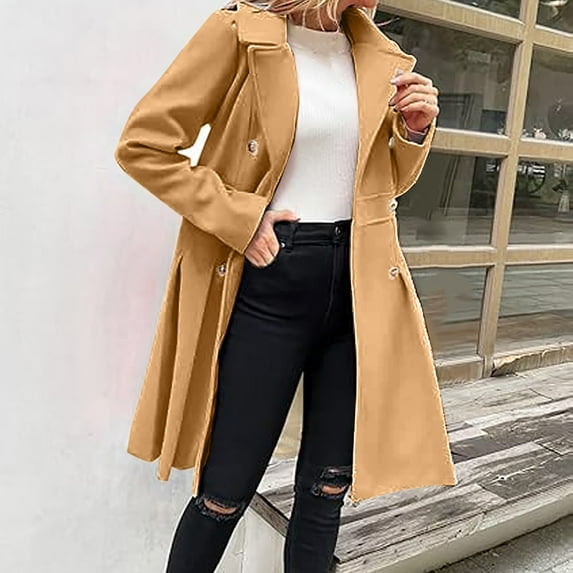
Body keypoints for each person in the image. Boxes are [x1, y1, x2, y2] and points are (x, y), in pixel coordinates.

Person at [115, 1, 444, 572]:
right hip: (273, 280)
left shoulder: (375, 54)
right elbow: (143, 146)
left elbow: (383, 183)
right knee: (225, 490)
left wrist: (413, 133)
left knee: (327, 487)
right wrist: (242, 219)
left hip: (360, 282)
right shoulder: (239, 32)